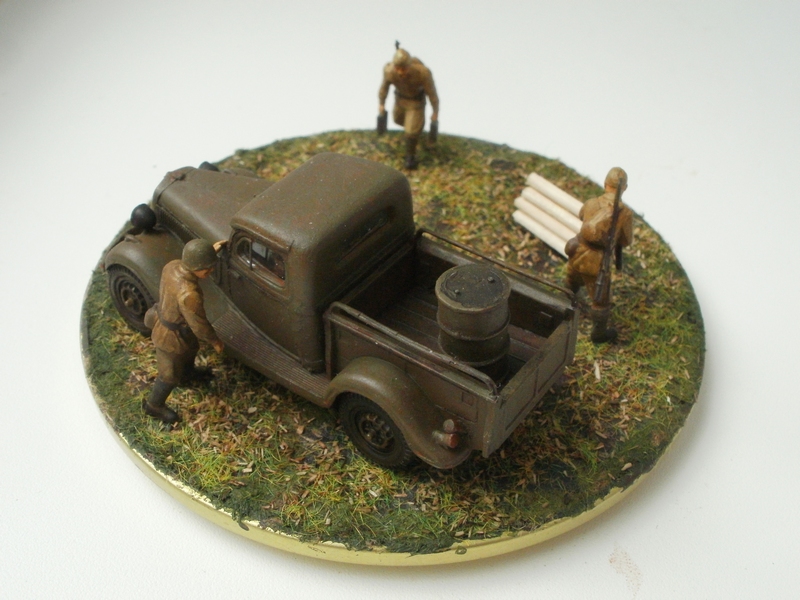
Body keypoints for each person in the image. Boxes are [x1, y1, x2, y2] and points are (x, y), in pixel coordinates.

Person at [143, 238, 226, 424]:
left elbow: (194, 260)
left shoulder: (172, 266)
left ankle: (187, 375)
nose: (210, 271)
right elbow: (199, 325)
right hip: (170, 337)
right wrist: (214, 340)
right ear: (196, 267)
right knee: (169, 374)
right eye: (207, 269)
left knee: (189, 351)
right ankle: (154, 405)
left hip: (177, 328)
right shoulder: (189, 294)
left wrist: (208, 252)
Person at [565, 167, 633, 343]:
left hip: (577, 251)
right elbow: (626, 240)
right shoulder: (625, 213)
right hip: (596, 262)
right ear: (624, 188)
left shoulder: (591, 202)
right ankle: (599, 333)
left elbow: (582, 216)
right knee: (601, 301)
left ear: (605, 184)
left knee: (572, 279)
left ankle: (563, 303)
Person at [378, 43, 439, 170]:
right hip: (400, 100)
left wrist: (435, 111)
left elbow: (432, 93)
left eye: (404, 68)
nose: (400, 72)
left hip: (415, 103)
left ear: (409, 65)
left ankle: (410, 156)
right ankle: (416, 128)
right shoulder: (389, 71)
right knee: (398, 120)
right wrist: (382, 104)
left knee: (411, 132)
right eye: (398, 68)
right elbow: (384, 88)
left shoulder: (422, 73)